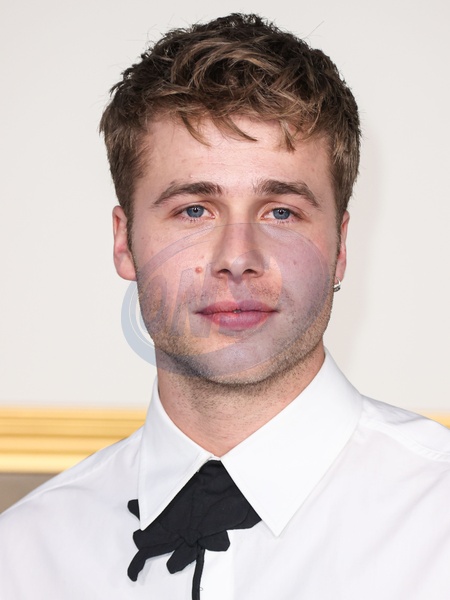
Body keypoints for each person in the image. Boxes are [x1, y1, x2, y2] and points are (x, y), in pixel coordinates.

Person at [1, 13, 449, 600]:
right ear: (124, 242)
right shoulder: (22, 558)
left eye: (281, 212)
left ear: (340, 248)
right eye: (194, 210)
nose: (237, 258)